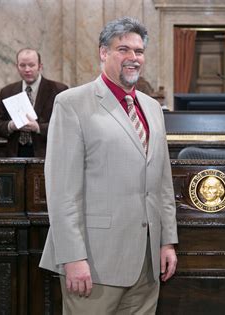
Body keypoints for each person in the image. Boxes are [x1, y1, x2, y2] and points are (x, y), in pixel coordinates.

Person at [39, 17, 178, 314]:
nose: (133, 58)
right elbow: (62, 190)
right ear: (103, 52)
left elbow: (162, 183)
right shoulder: (71, 103)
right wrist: (73, 257)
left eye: (139, 51)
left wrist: (167, 241)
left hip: (146, 261)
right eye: (123, 49)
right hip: (94, 262)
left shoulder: (152, 108)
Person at [0, 48, 68, 157]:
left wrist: (38, 128)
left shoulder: (58, 90)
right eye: (22, 65)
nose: (27, 69)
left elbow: (65, 125)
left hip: (45, 153)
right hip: (15, 153)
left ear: (40, 66)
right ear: (16, 67)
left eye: (31, 65)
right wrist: (11, 125)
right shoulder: (7, 91)